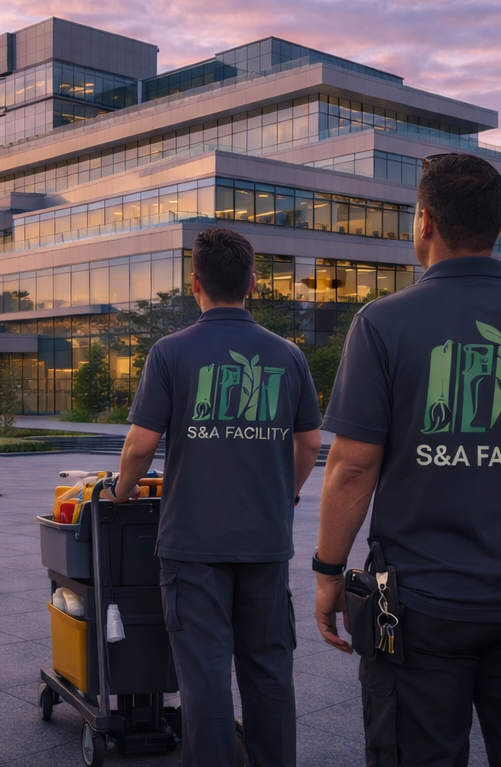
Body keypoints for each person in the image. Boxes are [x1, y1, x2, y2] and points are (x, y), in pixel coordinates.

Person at [312, 153, 501, 767]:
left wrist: (328, 572)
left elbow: (352, 465)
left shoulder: (382, 323)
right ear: (499, 226)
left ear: (423, 222)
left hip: (422, 607)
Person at [113, 226, 322, 767]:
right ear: (252, 283)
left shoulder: (170, 352)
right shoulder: (287, 355)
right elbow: (310, 444)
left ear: (195, 283)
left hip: (193, 542)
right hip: (265, 539)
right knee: (269, 667)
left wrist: (122, 490)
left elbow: (140, 445)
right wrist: (287, 497)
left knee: (204, 673)